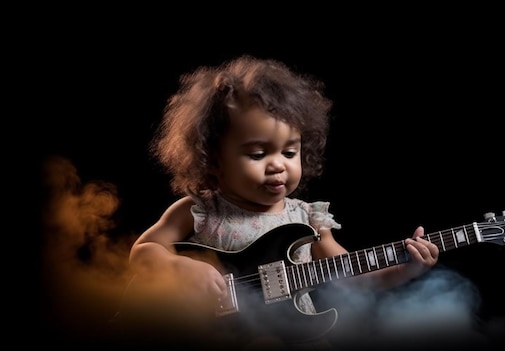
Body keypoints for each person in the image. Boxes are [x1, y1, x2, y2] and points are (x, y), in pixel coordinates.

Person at [122, 55, 440, 350]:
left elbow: (351, 276)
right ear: (212, 160)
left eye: (289, 152)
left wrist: (405, 269)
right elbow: (144, 250)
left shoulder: (310, 218)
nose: (278, 165)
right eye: (258, 154)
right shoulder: (201, 210)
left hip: (294, 336)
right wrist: (178, 265)